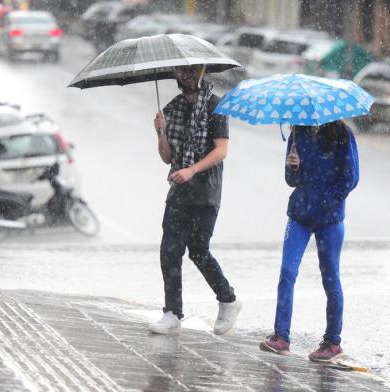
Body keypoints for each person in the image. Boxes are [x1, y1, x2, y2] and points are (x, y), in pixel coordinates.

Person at [149, 64, 242, 335]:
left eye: (190, 70)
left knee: (199, 250)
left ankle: (228, 300)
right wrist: (161, 132)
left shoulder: (215, 106)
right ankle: (172, 313)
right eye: (180, 71)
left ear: (202, 72)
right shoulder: (172, 108)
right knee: (169, 251)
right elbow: (167, 157)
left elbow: (221, 150)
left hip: (206, 191)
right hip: (178, 191)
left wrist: (192, 169)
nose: (185, 75)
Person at [259, 120, 359, 362]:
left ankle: (333, 342)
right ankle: (281, 337)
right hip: (299, 215)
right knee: (287, 272)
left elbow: (351, 177)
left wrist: (327, 201)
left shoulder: (342, 134)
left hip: (330, 219)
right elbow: (291, 180)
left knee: (330, 277)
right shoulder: (297, 134)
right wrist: (293, 168)